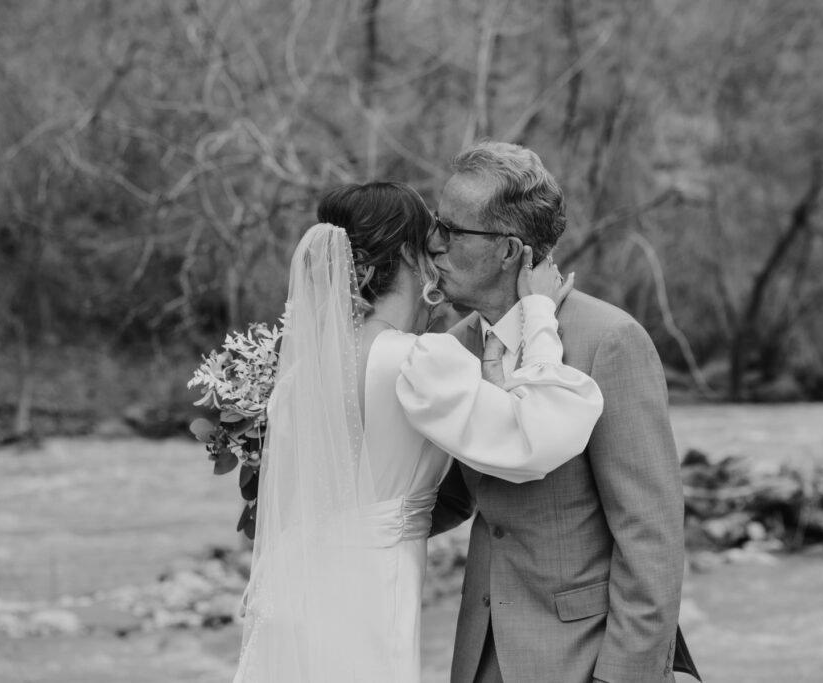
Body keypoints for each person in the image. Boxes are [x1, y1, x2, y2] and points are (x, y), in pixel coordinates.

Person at [232, 181, 604, 683]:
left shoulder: (302, 375)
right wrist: (538, 312)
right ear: (411, 255)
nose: (442, 251)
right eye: (435, 239)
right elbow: (538, 435)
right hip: (369, 592)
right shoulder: (415, 361)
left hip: (301, 590)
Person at [428, 141, 700, 683]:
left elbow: (652, 535)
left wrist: (622, 677)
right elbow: (449, 495)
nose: (433, 244)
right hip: (479, 654)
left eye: (452, 231)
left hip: (582, 656)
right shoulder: (452, 347)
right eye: (437, 223)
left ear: (509, 251)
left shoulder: (609, 340)